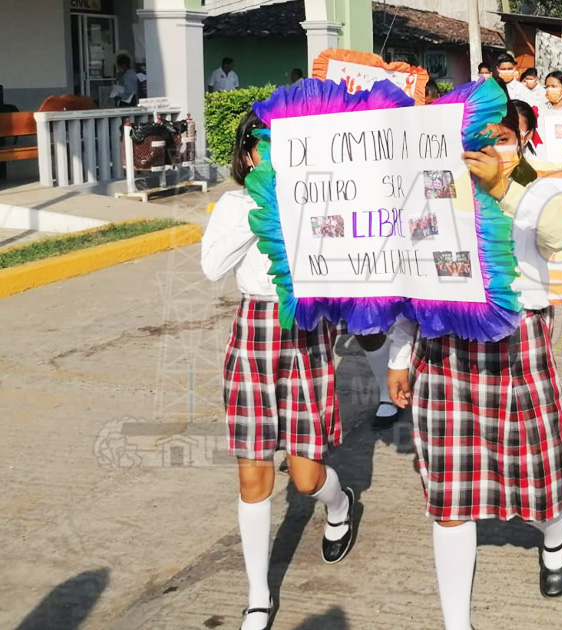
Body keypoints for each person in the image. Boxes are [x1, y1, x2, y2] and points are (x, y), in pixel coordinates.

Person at [386, 100, 562, 630]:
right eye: (478, 138)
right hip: (445, 350)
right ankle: (457, 623)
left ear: (521, 141)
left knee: (535, 474)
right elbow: (410, 281)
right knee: (450, 492)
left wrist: (501, 186)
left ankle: (555, 534)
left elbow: (559, 239)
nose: (487, 148)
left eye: (501, 137)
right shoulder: (430, 192)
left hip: (516, 344)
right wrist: (400, 354)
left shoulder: (544, 190)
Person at [201, 110, 357, 630]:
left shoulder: (314, 199)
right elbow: (212, 267)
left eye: (281, 145)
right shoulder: (234, 204)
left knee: (308, 475)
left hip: (307, 331)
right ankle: (258, 596)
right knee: (254, 477)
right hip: (254, 331)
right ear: (246, 154)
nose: (269, 154)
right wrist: (261, 212)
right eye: (260, 145)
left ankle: (339, 504)